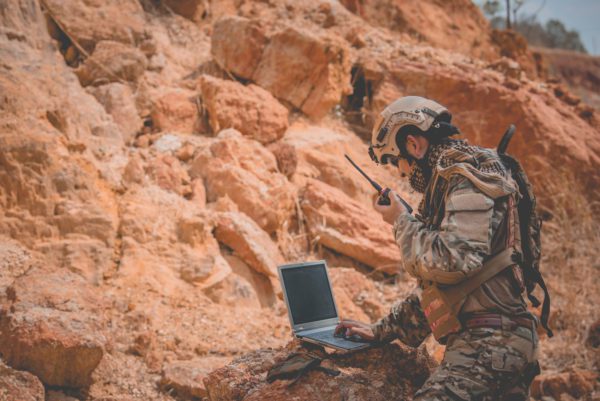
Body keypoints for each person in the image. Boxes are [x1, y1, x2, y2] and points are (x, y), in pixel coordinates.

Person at [335, 96, 540, 400]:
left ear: (414, 145)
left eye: (396, 160)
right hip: (494, 341)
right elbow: (449, 289)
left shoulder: (465, 178)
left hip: (491, 342)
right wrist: (382, 331)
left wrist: (401, 221)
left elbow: (454, 261)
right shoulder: (459, 178)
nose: (402, 172)